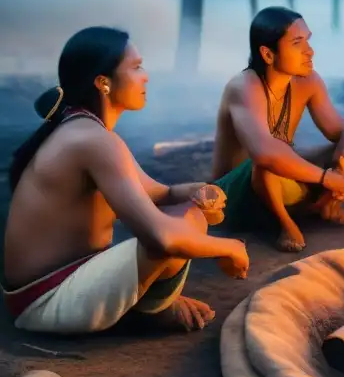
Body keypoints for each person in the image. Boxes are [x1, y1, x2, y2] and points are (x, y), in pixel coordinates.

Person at [2, 27, 249, 334]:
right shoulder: (92, 140)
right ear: (103, 83)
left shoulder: (89, 132)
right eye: (136, 67)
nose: (145, 76)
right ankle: (151, 311)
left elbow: (164, 193)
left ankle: (149, 305)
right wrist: (230, 247)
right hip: (45, 301)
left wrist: (201, 192)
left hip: (47, 292)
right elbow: (163, 239)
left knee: (189, 211)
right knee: (182, 225)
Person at [212, 7, 344, 253]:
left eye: (308, 40)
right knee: (266, 163)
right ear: (267, 54)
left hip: (281, 182)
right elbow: (264, 153)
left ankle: (327, 206)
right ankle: (286, 224)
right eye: (297, 43)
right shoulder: (244, 86)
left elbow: (342, 132)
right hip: (234, 199)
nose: (310, 51)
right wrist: (326, 178)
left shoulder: (309, 81)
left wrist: (341, 171)